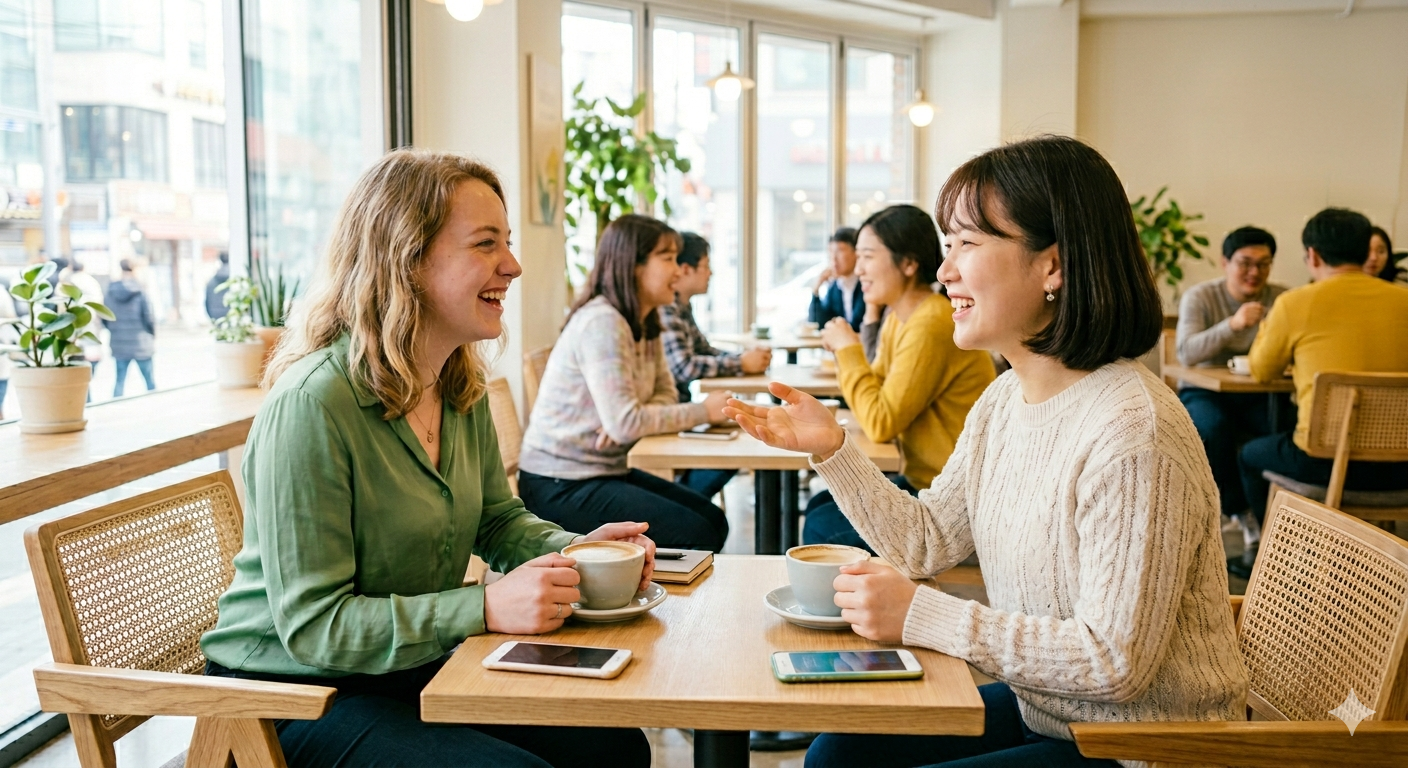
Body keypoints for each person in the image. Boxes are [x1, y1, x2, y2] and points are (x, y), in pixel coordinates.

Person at [726, 136, 1247, 768]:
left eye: (966, 244)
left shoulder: (1134, 431)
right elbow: (924, 543)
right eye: (946, 246)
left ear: (1052, 266)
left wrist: (924, 615)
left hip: (1143, 748)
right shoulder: (1005, 399)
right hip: (1050, 713)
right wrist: (833, 449)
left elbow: (1115, 664)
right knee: (836, 756)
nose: (944, 272)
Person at [200, 149, 653, 767]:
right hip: (286, 696)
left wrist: (578, 553)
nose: (513, 265)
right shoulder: (312, 405)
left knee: (614, 747)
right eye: (485, 244)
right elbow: (314, 627)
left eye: (507, 243)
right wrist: (484, 607)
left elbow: (495, 520)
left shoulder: (458, 385)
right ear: (406, 261)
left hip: (401, 666)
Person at [518, 215, 731, 552]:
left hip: (602, 470)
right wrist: (703, 411)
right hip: (559, 483)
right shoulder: (603, 322)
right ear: (633, 265)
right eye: (668, 258)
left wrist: (628, 419)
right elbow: (626, 422)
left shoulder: (645, 319)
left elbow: (664, 393)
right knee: (697, 533)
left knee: (713, 520)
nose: (678, 270)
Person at [802, 205, 995, 553]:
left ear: (908, 264)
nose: (858, 268)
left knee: (822, 525)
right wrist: (850, 353)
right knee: (820, 505)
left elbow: (880, 422)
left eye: (867, 256)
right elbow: (874, 396)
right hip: (925, 481)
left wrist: (848, 350)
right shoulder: (899, 317)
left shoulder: (931, 322)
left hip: (951, 501)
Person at [1235, 208, 1408, 577]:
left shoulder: (1296, 302)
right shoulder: (1404, 301)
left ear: (1312, 255)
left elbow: (1262, 370)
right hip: (1401, 471)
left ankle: (1279, 565)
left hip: (1323, 465)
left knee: (1249, 454)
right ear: (1367, 251)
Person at [1175, 227, 1288, 542]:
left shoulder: (1282, 299)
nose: (1255, 272)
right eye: (1245, 263)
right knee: (1212, 429)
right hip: (1204, 390)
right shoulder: (1200, 296)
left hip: (1262, 392)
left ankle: (1280, 521)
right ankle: (1240, 509)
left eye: (1263, 264)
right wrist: (1232, 325)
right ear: (1225, 263)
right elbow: (1186, 353)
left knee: (1287, 428)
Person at [658, 232, 770, 500]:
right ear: (686, 269)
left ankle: (690, 503)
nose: (711, 273)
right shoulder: (666, 308)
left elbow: (703, 349)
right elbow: (683, 367)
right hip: (672, 418)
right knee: (741, 443)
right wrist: (741, 362)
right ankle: (685, 502)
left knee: (745, 434)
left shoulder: (680, 306)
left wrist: (743, 359)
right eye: (706, 266)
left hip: (681, 413)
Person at [104, 260, 156, 397]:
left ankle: (116, 406)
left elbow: (105, 316)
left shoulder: (111, 291)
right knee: (149, 381)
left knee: (119, 380)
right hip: (141, 341)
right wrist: (152, 334)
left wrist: (113, 329)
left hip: (118, 341)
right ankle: (156, 404)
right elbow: (148, 316)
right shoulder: (140, 290)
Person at [808, 227, 865, 331]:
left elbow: (858, 326)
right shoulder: (836, 286)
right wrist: (816, 290)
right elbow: (818, 323)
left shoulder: (866, 283)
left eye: (840, 251)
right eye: (831, 251)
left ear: (856, 253)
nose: (833, 258)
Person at [205, 250, 231, 320]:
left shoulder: (211, 282)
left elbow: (207, 302)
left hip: (216, 316)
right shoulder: (236, 279)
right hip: (232, 315)